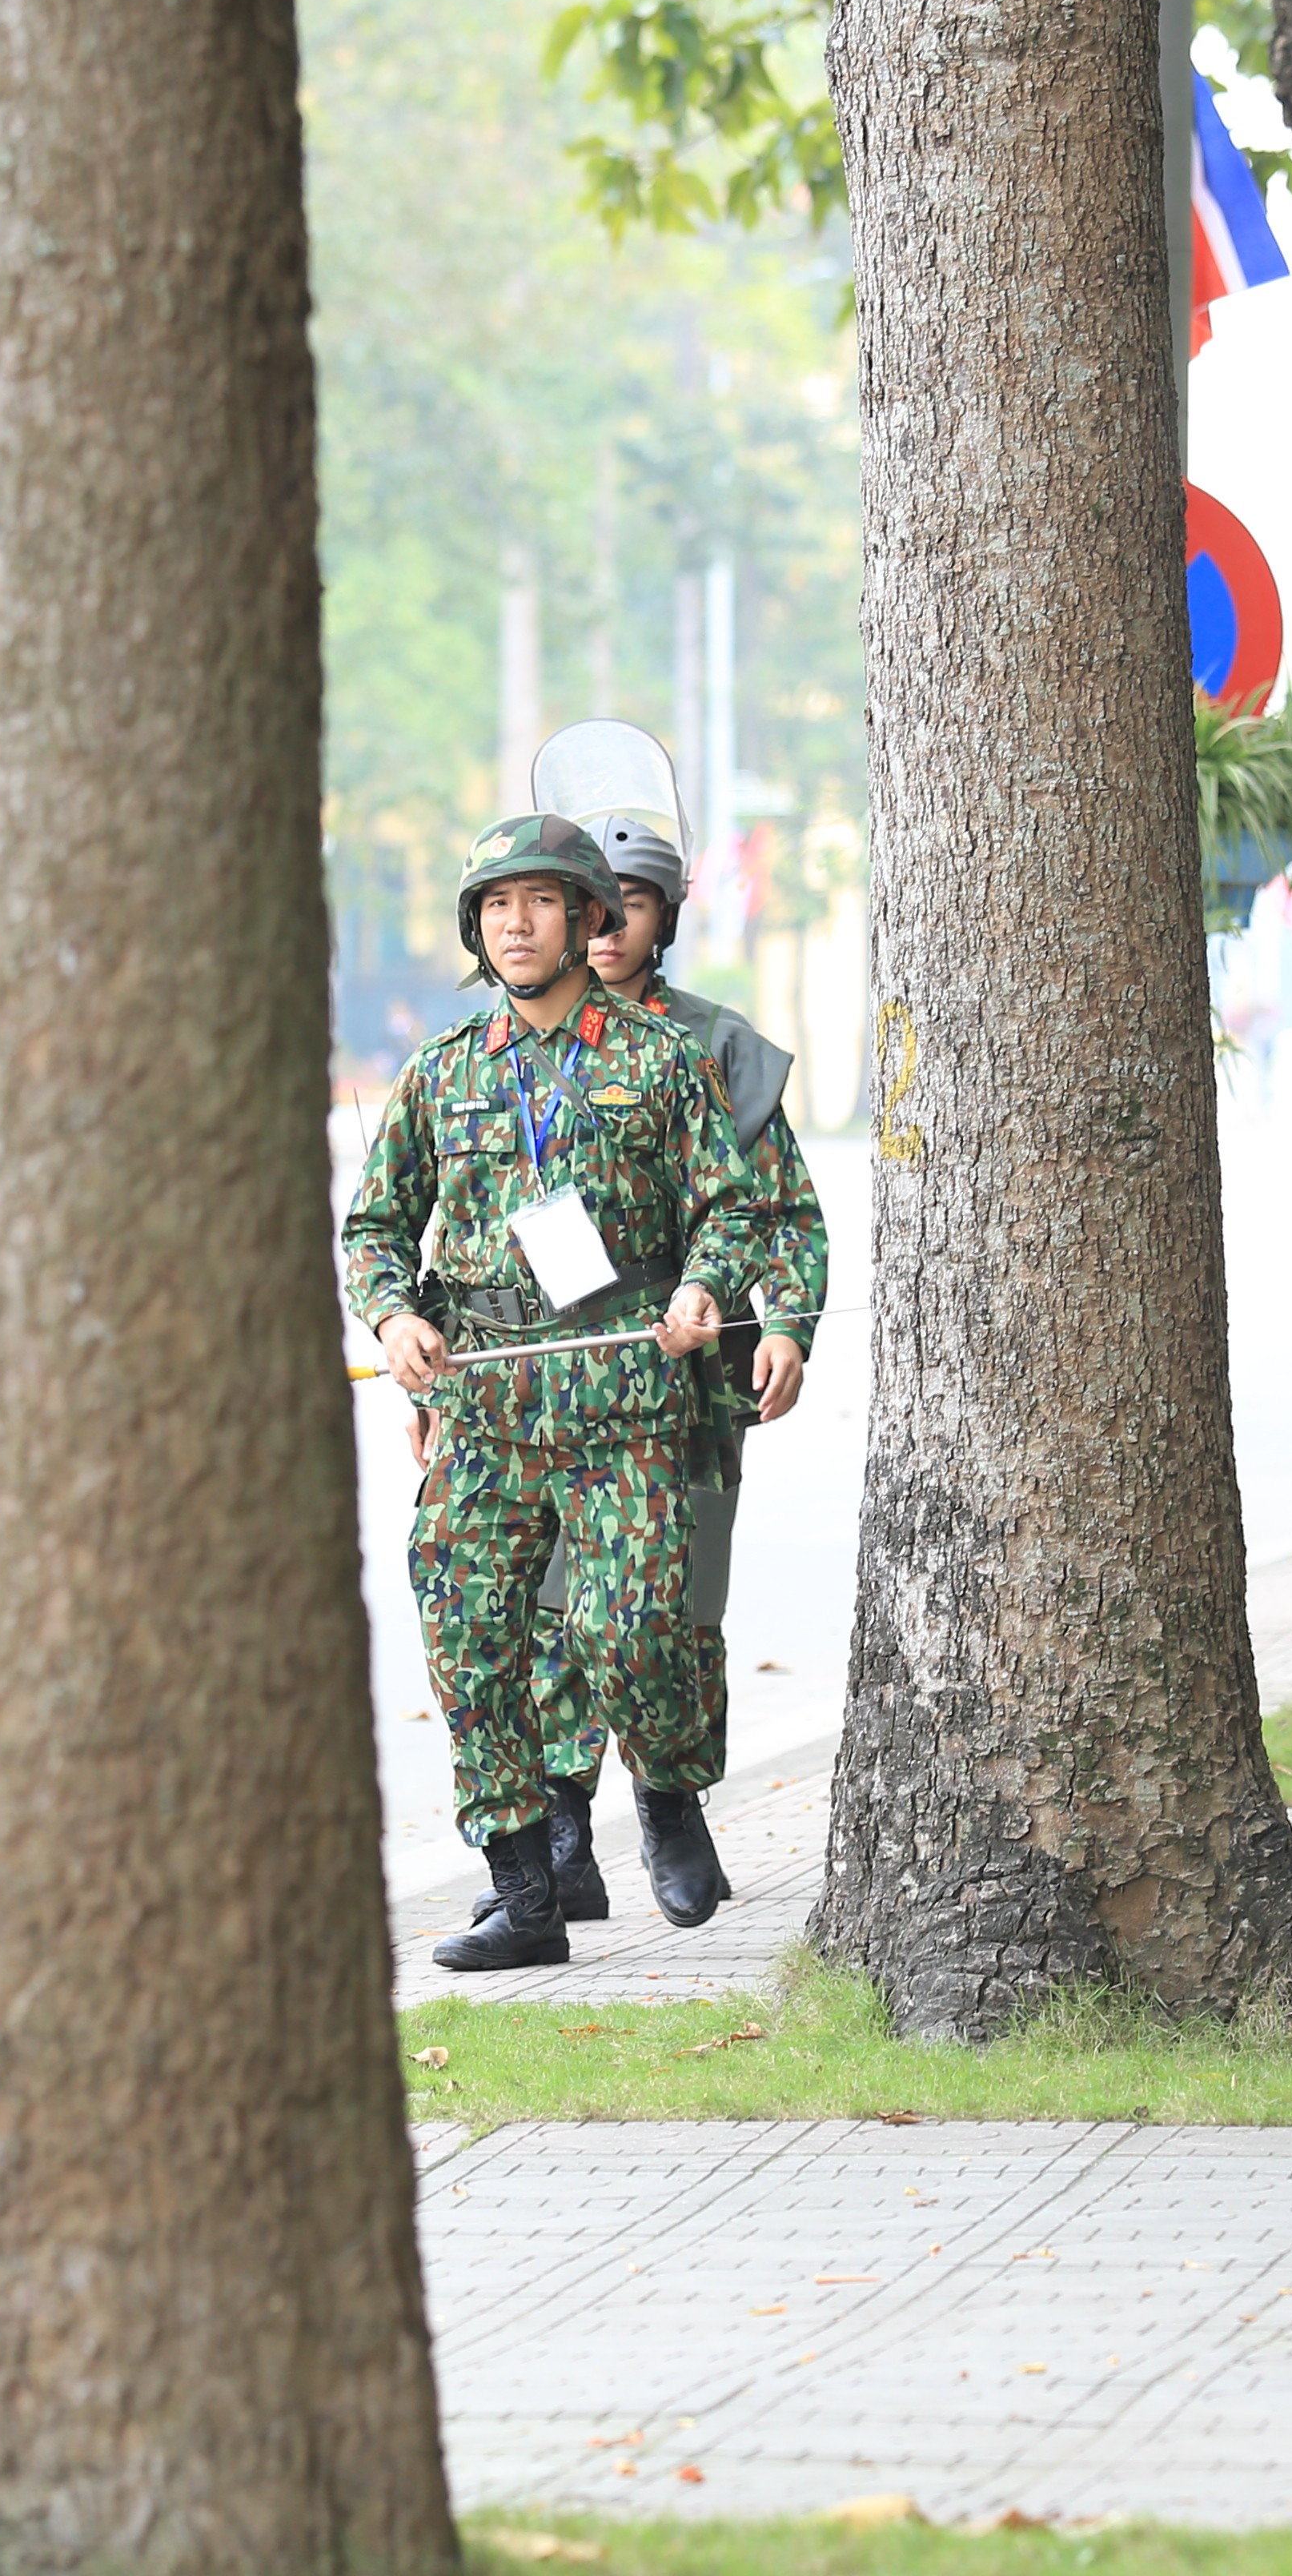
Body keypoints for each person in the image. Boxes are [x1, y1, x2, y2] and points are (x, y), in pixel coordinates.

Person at [340, 816, 770, 1971]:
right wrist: (397, 1315)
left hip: (625, 1393)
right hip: (488, 1405)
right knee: (473, 1639)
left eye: (539, 903)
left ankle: (670, 1799)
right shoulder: (441, 1070)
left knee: (630, 1630)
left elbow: (730, 1206)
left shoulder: (660, 1060)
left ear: (588, 918)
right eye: (495, 906)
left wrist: (702, 1288)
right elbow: (376, 1225)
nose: (515, 925)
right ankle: (524, 1893)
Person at [466, 812, 828, 1930]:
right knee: (546, 1608)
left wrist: (783, 1323)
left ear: (656, 917)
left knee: (661, 1608)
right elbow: (467, 1229)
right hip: (536, 1381)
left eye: (625, 901)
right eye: (585, 899)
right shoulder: (501, 1049)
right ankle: (564, 1832)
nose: (601, 921)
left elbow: (778, 1209)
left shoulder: (705, 1050)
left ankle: (674, 1806)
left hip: (683, 1379)